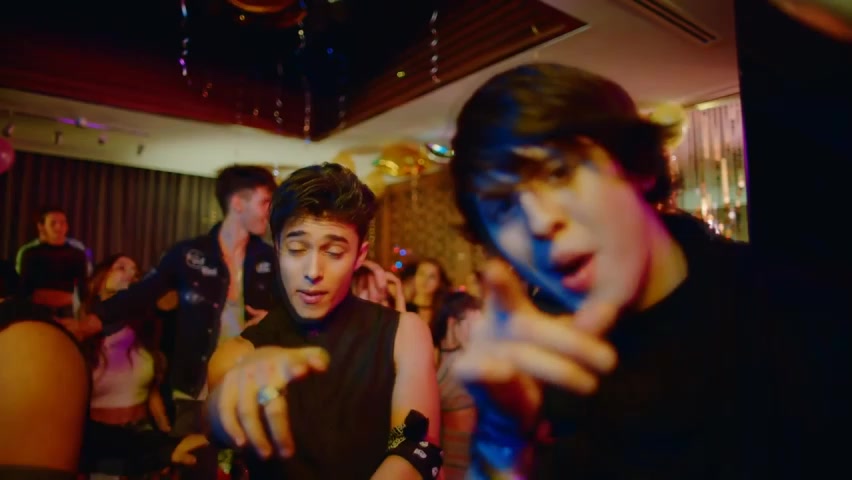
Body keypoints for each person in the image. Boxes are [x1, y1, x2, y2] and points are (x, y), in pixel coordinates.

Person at [446, 63, 851, 479]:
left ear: (635, 165)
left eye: (559, 172)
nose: (538, 221)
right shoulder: (530, 365)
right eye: (503, 207)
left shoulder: (800, 308)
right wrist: (504, 442)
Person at [205, 163, 442, 479]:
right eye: (297, 249)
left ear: (359, 256)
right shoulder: (240, 353)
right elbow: (216, 430)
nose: (313, 271)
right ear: (278, 248)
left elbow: (416, 445)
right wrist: (223, 402)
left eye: (333, 252)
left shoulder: (403, 334)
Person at [81, 165, 279, 479]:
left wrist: (273, 319)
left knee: (250, 468)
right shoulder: (189, 254)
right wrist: (93, 320)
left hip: (249, 385)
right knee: (193, 465)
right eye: (265, 201)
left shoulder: (270, 258)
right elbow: (144, 292)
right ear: (238, 203)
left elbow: (293, 307)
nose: (270, 210)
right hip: (193, 387)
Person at [431, 291, 481, 480]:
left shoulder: (470, 361)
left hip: (468, 461)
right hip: (453, 463)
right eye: (473, 324)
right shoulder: (436, 360)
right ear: (453, 323)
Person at [18, 206, 88, 316]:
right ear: (42, 227)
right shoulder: (30, 253)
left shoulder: (77, 254)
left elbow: (83, 287)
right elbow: (24, 288)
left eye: (63, 223)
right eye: (53, 223)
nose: (59, 227)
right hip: (36, 310)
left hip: (67, 310)